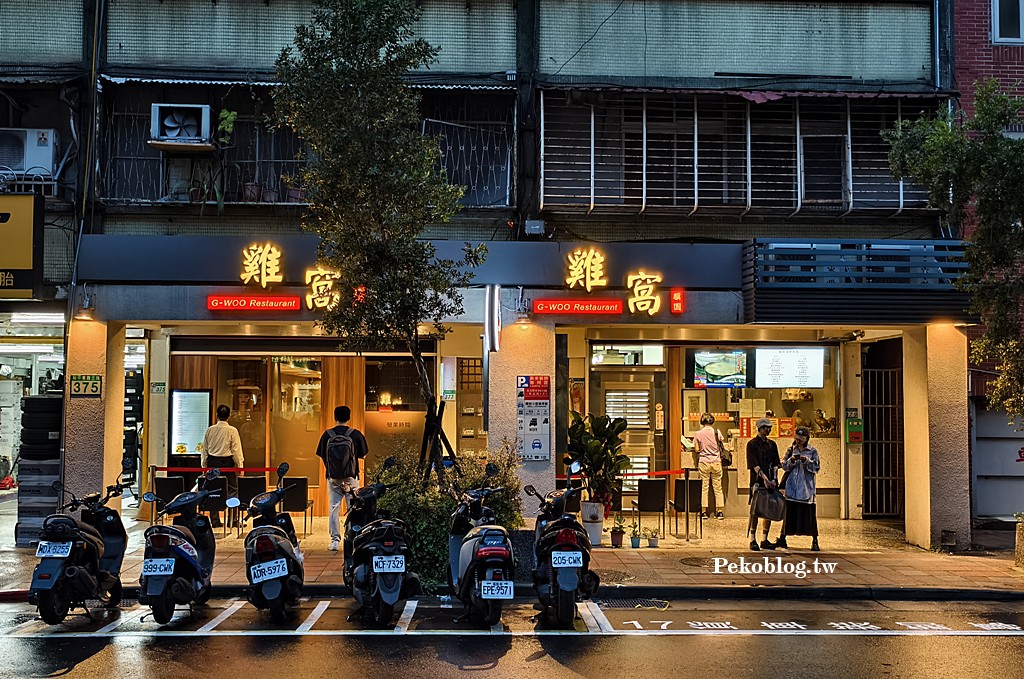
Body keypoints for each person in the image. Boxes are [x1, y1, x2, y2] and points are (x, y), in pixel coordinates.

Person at [315, 405, 368, 552]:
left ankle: (334, 541)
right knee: (354, 507)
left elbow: (321, 455)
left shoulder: (327, 435)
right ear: (349, 417)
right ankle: (353, 538)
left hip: (333, 478)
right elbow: (363, 455)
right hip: (351, 477)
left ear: (335, 417)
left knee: (334, 507)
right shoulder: (355, 434)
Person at [777, 426, 821, 551]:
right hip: (792, 487)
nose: (798, 441)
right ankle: (783, 538)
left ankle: (815, 540)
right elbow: (784, 466)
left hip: (807, 488)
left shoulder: (812, 451)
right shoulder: (791, 449)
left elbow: (816, 468)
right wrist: (791, 460)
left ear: (807, 439)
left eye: (801, 439)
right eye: (797, 439)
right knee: (789, 513)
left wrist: (806, 461)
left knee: (809, 515)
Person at [201, 404, 244, 528]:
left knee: (212, 490)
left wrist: (204, 466)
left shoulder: (210, 430)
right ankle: (233, 520)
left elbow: (204, 450)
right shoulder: (232, 430)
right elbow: (236, 450)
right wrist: (240, 466)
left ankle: (214, 520)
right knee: (232, 490)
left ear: (217, 415)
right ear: (229, 416)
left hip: (212, 462)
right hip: (227, 462)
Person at [746, 417, 782, 551]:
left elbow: (776, 463)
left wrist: (774, 478)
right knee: (756, 510)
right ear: (759, 428)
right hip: (757, 481)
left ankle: (764, 538)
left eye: (770, 427)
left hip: (771, 481)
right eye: (766, 427)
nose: (768, 430)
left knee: (769, 509)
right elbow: (753, 464)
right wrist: (764, 478)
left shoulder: (772, 444)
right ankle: (752, 538)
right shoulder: (751, 444)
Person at [692, 413, 727, 520]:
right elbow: (722, 444)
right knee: (718, 488)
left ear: (702, 422)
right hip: (716, 462)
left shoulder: (698, 433)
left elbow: (697, 449)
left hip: (704, 462)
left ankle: (703, 512)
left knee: (704, 488)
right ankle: (719, 512)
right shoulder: (717, 432)